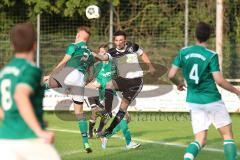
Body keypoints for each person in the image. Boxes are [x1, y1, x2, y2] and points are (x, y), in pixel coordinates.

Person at [168, 22, 239, 160]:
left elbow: (171, 75)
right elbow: (219, 80)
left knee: (200, 139)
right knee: (227, 136)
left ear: (195, 35)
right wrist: (236, 91)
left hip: (193, 101)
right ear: (209, 36)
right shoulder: (211, 55)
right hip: (212, 100)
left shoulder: (184, 52)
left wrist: (179, 83)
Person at [0, 22, 60, 160]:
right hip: (29, 139)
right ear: (35, 44)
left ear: (12, 46)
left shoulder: (4, 73)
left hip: (4, 140)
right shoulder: (30, 69)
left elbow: (3, 110)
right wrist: (39, 131)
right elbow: (20, 95)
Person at [93, 30, 156, 138]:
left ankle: (109, 130)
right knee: (109, 84)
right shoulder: (112, 52)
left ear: (125, 41)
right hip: (123, 79)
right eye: (116, 40)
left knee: (122, 108)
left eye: (121, 40)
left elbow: (142, 54)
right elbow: (104, 58)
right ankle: (107, 112)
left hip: (136, 82)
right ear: (114, 41)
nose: (118, 42)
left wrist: (150, 65)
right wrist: (94, 54)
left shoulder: (133, 47)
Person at [44, 26, 94, 153]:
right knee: (79, 114)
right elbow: (91, 74)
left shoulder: (74, 46)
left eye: (76, 33)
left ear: (78, 35)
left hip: (70, 73)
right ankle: (86, 143)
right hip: (81, 79)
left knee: (44, 83)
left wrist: (51, 75)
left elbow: (64, 62)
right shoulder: (89, 52)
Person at [86, 44, 141, 149]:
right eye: (100, 52)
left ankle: (105, 136)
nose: (102, 54)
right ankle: (128, 143)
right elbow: (94, 83)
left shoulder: (114, 64)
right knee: (123, 117)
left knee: (127, 118)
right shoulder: (98, 67)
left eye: (104, 52)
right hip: (109, 98)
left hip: (118, 94)